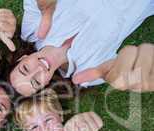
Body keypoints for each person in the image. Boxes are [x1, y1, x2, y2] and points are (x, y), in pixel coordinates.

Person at [9, 0, 154, 96]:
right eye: (36, 81)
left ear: (23, 58)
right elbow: (118, 70)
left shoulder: (32, 31)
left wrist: (46, 6)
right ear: (46, 84)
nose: (38, 69)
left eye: (25, 69)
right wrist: (136, 71)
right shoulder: (88, 73)